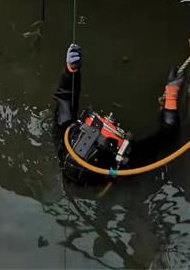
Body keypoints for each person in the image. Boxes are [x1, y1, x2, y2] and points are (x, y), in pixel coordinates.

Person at [54, 43, 183, 185]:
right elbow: (168, 134)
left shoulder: (64, 136)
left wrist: (70, 70)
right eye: (107, 135)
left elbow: (65, 97)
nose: (107, 122)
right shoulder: (131, 158)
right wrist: (171, 95)